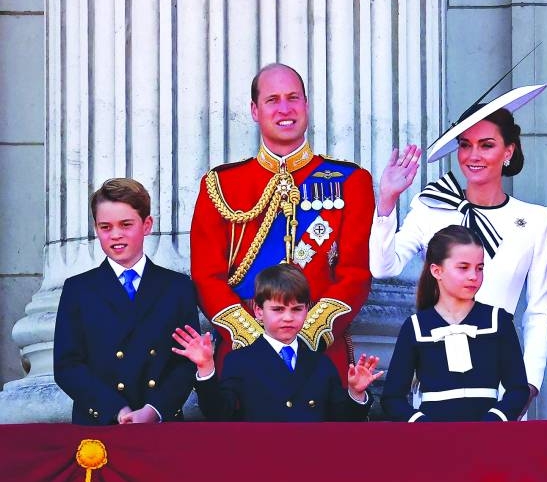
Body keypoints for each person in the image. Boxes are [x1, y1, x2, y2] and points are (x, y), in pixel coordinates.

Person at [370, 84, 547, 414]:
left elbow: (538, 310)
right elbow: (384, 268)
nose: (473, 156)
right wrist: (387, 202)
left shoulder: (535, 219)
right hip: (437, 377)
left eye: (487, 145)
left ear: (508, 151)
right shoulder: (431, 206)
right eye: (465, 145)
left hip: (502, 375)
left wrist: (529, 385)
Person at [189, 63, 374, 381]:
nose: (285, 108)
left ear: (306, 105)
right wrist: (254, 340)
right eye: (272, 100)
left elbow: (355, 275)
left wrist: (305, 337)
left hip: (320, 354)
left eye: (293, 98)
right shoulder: (220, 185)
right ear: (254, 110)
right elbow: (207, 277)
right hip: (242, 353)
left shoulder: (351, 181)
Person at [54, 178, 199, 425]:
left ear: (147, 225)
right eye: (105, 227)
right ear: (96, 229)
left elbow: (186, 362)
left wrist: (154, 410)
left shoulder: (178, 287)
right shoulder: (78, 289)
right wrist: (116, 410)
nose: (116, 235)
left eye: (126, 224)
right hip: (101, 424)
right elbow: (67, 366)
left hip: (161, 425)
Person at [172, 264, 380, 422]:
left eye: (297, 309)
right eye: (278, 310)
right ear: (259, 311)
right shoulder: (241, 360)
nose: (288, 318)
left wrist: (356, 393)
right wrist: (206, 369)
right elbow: (218, 414)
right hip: (261, 463)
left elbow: (343, 423)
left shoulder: (320, 363)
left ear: (307, 310)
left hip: (311, 463)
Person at [381, 225, 530, 422]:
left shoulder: (498, 320)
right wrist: (423, 424)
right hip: (434, 442)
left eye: (480, 268)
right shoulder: (416, 326)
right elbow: (392, 398)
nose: (473, 276)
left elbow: (518, 389)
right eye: (463, 267)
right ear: (437, 271)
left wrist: (494, 420)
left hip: (488, 440)